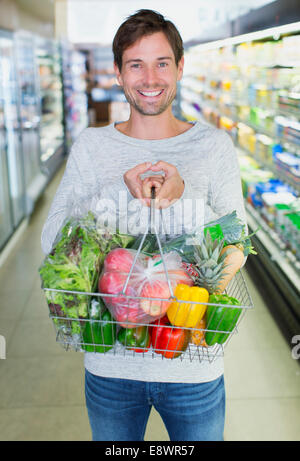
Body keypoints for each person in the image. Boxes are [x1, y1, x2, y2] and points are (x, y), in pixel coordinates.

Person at [41, 9, 247, 441]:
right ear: (118, 73)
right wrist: (114, 189)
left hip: (194, 365)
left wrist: (183, 192)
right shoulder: (93, 147)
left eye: (161, 63)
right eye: (135, 64)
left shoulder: (213, 146)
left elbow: (238, 239)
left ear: (180, 67)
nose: (149, 78)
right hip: (111, 364)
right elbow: (51, 237)